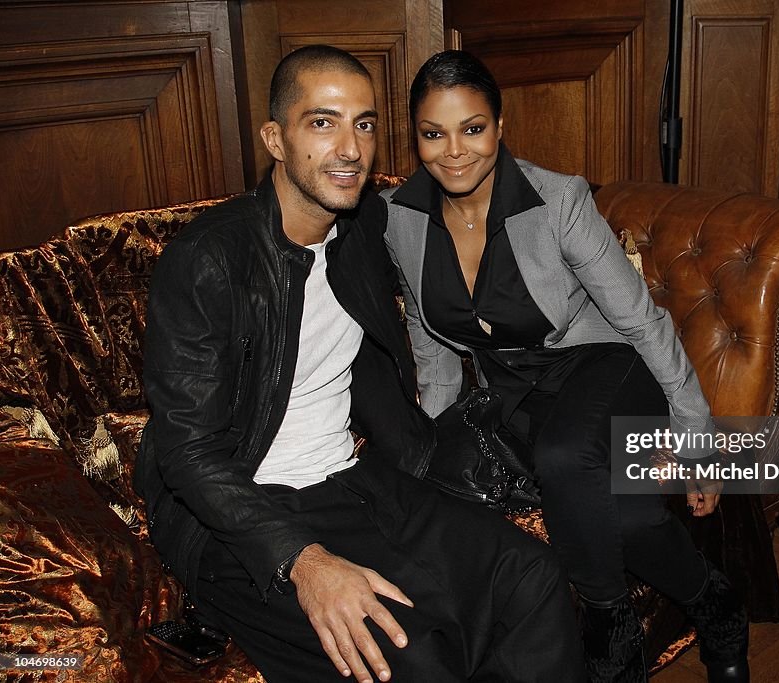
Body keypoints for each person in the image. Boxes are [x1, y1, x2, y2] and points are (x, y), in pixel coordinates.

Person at [134, 44, 587, 683]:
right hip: (243, 514)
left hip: (353, 474)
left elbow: (471, 194)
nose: (350, 148)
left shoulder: (363, 224)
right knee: (413, 657)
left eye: (365, 124)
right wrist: (305, 561)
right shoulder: (210, 259)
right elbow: (188, 453)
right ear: (274, 138)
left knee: (531, 577)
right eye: (323, 123)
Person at [383, 50, 750, 683]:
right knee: (627, 517)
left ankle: (610, 632)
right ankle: (717, 605)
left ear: (500, 126)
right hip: (515, 394)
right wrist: (441, 442)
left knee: (563, 456)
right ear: (414, 137)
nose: (454, 151)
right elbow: (433, 347)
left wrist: (698, 435)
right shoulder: (398, 219)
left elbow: (642, 320)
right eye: (433, 133)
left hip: (606, 365)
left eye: (472, 128)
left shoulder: (558, 200)